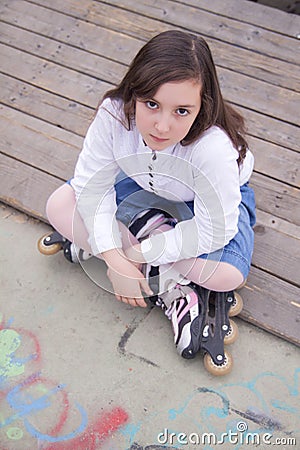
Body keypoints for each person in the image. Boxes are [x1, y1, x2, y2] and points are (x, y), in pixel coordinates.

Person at [45, 30, 256, 359]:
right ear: (134, 93)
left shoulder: (213, 148)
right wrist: (116, 262)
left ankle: (146, 256)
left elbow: (215, 228)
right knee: (59, 204)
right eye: (152, 104)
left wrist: (139, 255)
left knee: (228, 275)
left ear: (203, 106)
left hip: (199, 201)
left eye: (181, 111)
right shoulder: (115, 114)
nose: (161, 126)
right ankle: (173, 286)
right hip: (141, 181)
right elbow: (90, 184)